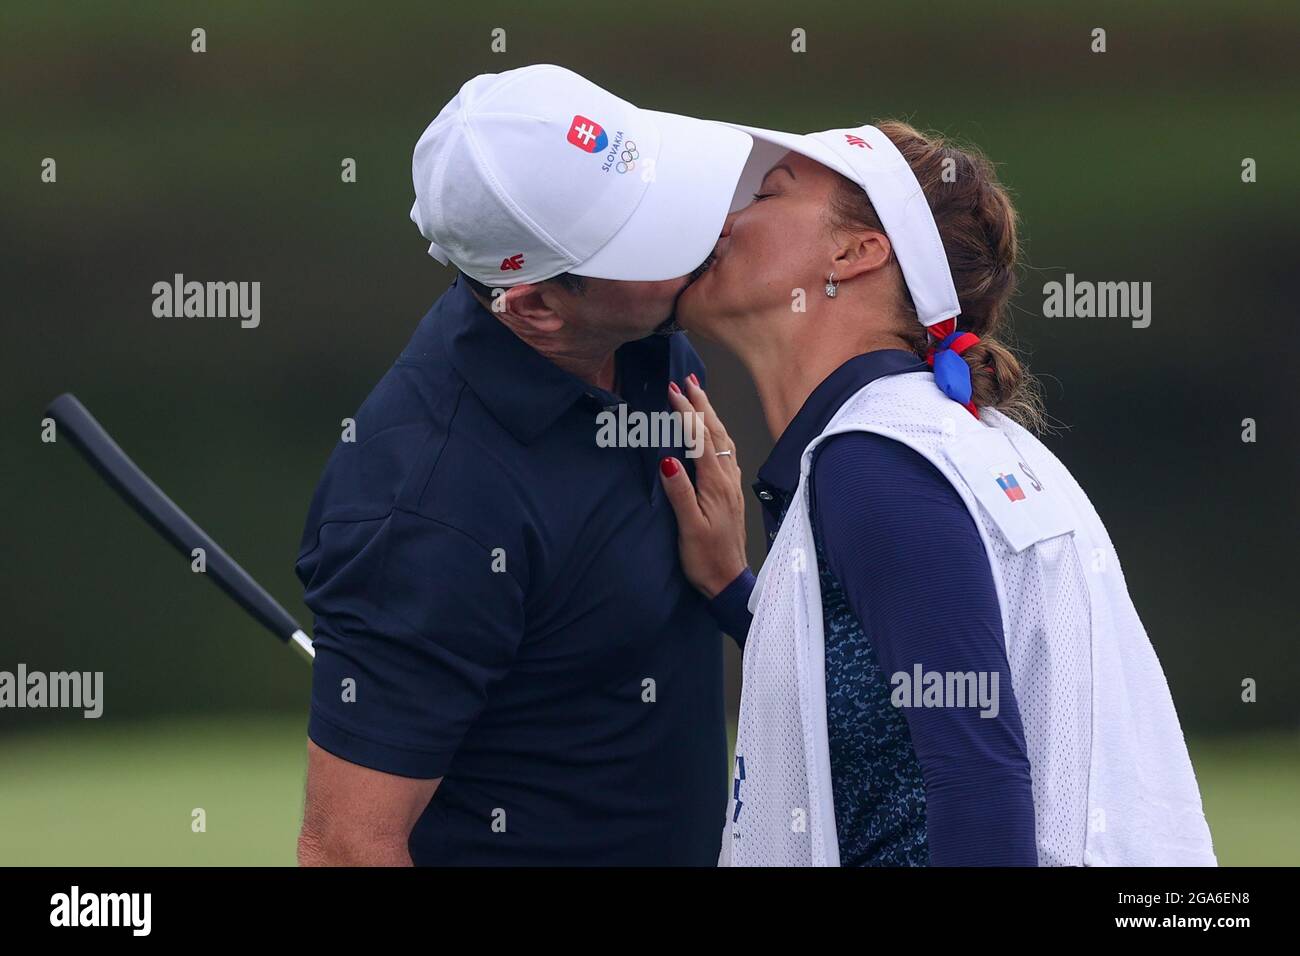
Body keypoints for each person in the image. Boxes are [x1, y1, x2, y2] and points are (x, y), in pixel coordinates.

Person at [658, 119, 1217, 866]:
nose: (727, 220)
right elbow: (891, 703)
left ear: (856, 253)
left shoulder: (878, 461)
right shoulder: (943, 442)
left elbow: (978, 777)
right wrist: (737, 591)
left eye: (768, 193)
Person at [294, 64, 753, 865]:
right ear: (536, 306)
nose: (705, 235)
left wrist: (731, 587)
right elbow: (346, 847)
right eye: (648, 238)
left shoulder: (644, 338)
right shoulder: (428, 506)